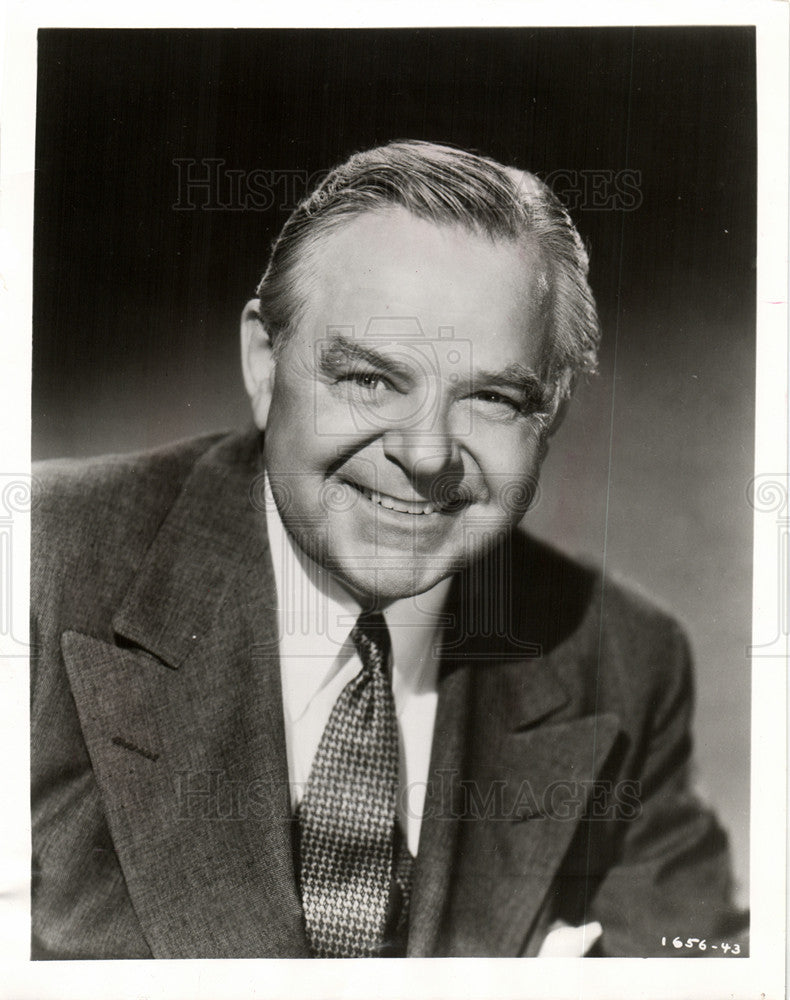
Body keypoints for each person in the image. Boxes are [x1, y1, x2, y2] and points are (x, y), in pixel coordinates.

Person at [30, 140, 747, 959]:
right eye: (372, 379)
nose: (427, 453)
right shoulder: (40, 563)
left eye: (494, 397)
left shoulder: (621, 657)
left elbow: (702, 967)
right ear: (265, 363)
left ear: (552, 414)